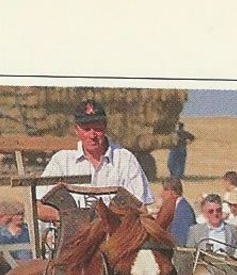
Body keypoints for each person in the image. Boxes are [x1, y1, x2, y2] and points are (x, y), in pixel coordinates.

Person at [35, 98, 154, 248]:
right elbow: (38, 207)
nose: (92, 135)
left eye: (97, 128)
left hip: (114, 244)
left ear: (105, 127)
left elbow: (141, 207)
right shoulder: (62, 160)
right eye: (86, 129)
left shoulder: (125, 159)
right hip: (70, 244)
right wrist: (69, 219)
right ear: (77, 130)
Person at [157, 176, 196, 244]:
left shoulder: (183, 210)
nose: (161, 195)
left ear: (171, 192)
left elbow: (182, 238)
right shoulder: (178, 206)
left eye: (164, 191)